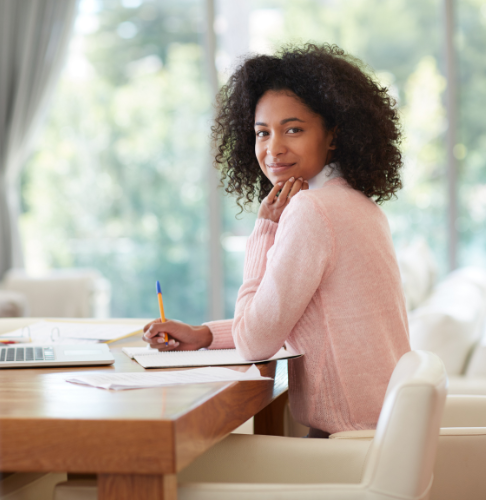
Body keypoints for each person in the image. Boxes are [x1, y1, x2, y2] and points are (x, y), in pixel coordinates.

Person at [143, 43, 411, 437]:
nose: (273, 149)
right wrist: (204, 335)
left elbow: (254, 343)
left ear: (333, 136)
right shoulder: (358, 205)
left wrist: (265, 229)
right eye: (262, 132)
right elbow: (292, 315)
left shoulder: (312, 211)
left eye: (294, 129)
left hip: (345, 444)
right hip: (382, 432)